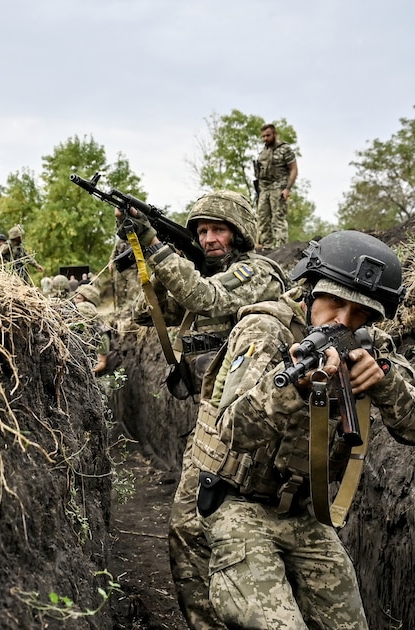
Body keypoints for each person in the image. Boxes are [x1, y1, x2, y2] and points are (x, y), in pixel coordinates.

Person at [187, 230, 415, 628]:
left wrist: (384, 381)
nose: (344, 320)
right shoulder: (266, 331)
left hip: (307, 514)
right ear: (310, 292)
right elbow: (232, 430)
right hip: (240, 507)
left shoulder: (372, 345)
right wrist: (294, 390)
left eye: (359, 313)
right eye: (335, 302)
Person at [114, 190, 285, 629]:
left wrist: (156, 244)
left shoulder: (258, 272)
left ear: (239, 233)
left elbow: (206, 298)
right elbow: (147, 310)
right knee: (189, 531)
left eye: (218, 229)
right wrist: (137, 250)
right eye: (201, 231)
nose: (208, 239)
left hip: (256, 426)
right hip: (213, 421)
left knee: (227, 533)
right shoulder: (203, 273)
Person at [254, 123, 298, 250]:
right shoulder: (263, 152)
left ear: (275, 134)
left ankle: (281, 248)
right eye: (263, 136)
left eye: (268, 135)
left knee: (278, 219)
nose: (265, 138)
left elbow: (294, 169)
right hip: (264, 189)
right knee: (262, 219)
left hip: (279, 188)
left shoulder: (285, 149)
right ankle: (267, 248)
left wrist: (288, 188)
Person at [72, 284, 112, 376]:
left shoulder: (100, 331)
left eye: (78, 298)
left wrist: (87, 371)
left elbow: (101, 362)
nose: (75, 301)